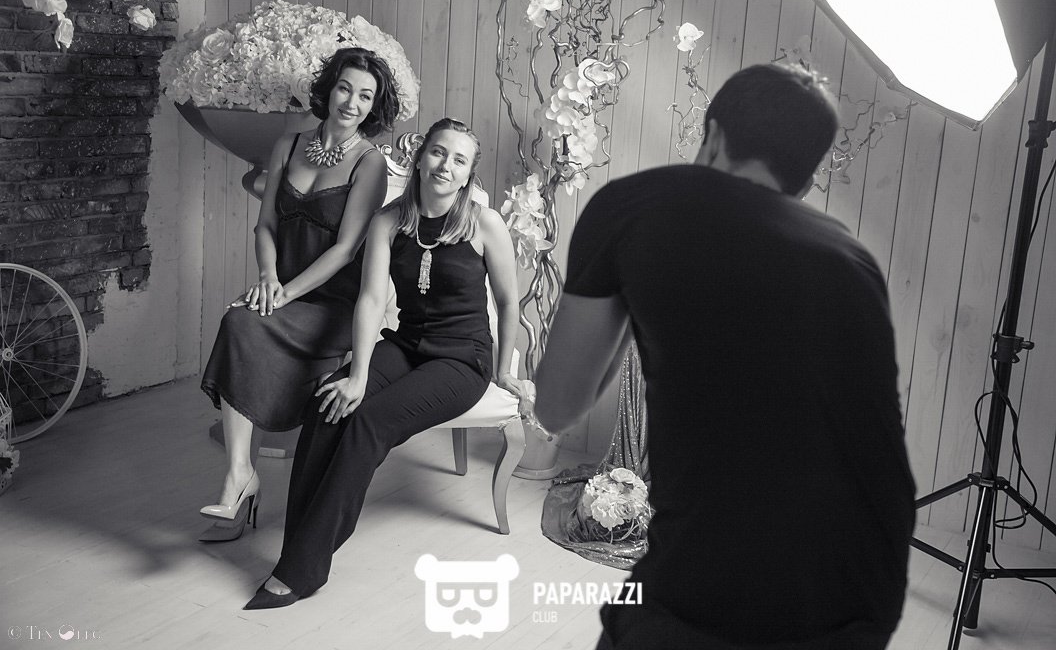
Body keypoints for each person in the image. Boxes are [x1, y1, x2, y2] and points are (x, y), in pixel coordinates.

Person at [535, 63, 916, 649]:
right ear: (807, 177)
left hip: (710, 591)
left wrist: (635, 290)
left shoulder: (634, 206)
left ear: (712, 136)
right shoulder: (852, 256)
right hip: (868, 592)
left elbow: (558, 407)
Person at [242, 117, 528, 609]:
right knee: (327, 402)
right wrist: (356, 374)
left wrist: (503, 371)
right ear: (420, 158)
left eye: (459, 160)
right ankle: (298, 547)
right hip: (407, 343)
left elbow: (507, 301)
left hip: (463, 359)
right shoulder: (389, 221)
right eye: (438, 152)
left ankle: (302, 568)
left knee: (368, 422)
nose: (445, 165)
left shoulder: (485, 223)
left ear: (468, 174)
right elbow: (372, 299)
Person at [198, 47, 399, 541]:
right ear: (329, 89)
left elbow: (346, 251)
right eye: (345, 88)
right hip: (282, 287)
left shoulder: (369, 163)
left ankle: (240, 485)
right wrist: (268, 278)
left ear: (374, 106)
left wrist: (283, 295)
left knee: (245, 321)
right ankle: (239, 475)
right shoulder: (288, 144)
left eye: (365, 96)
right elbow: (265, 224)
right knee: (240, 318)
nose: (351, 102)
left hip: (334, 304)